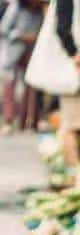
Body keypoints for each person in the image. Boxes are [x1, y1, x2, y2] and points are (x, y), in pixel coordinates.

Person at [54, 0, 80, 167]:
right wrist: (76, 60)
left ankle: (77, 164)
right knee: (72, 120)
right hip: (77, 57)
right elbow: (62, 29)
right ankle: (73, 168)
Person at [0, 0, 39, 135]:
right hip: (14, 50)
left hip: (32, 51)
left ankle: (28, 122)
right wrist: (22, 36)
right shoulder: (16, 7)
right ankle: (8, 121)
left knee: (31, 86)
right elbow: (4, 29)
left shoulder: (40, 10)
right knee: (9, 86)